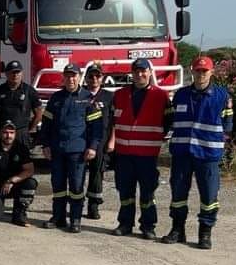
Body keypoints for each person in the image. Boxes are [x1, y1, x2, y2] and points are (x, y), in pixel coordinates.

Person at [162, 55, 233, 249]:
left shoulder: (222, 96)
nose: (201, 74)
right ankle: (177, 230)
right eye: (198, 70)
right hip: (182, 153)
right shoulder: (181, 95)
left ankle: (205, 233)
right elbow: (169, 121)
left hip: (208, 155)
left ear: (211, 72)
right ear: (191, 71)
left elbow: (227, 126)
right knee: (178, 194)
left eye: (205, 71)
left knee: (209, 197)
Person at [106, 59, 170, 238]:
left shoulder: (161, 96)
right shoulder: (119, 95)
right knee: (125, 191)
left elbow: (168, 122)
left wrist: (157, 137)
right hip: (124, 154)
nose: (139, 74)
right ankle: (125, 223)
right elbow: (112, 122)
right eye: (136, 71)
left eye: (143, 71)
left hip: (148, 155)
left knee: (147, 193)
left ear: (150, 72)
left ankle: (148, 226)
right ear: (131, 73)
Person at [38, 63, 104, 233]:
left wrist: (93, 147)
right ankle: (58, 217)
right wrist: (45, 144)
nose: (70, 79)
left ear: (79, 77)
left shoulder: (88, 98)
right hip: (57, 149)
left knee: (76, 187)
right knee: (58, 186)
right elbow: (46, 124)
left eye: (73, 75)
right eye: (67, 75)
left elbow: (96, 127)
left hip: (78, 151)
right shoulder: (56, 98)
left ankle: (75, 219)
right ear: (63, 77)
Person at [0, 121, 36, 226]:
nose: (8, 135)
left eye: (11, 132)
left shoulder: (21, 148)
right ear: (0, 133)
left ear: (15, 134)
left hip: (13, 186)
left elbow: (29, 170)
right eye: (5, 132)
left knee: (30, 183)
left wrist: (11, 180)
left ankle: (19, 215)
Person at [81, 64, 113, 220]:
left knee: (97, 173)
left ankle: (93, 206)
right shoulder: (80, 94)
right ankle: (77, 204)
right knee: (78, 173)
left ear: (102, 78)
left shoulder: (109, 97)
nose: (94, 79)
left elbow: (114, 121)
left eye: (97, 76)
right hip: (80, 140)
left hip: (101, 140)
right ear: (85, 78)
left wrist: (112, 141)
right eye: (91, 76)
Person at [0, 60, 41, 147]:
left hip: (21, 134)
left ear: (22, 73)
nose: (15, 75)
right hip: (2, 133)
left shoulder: (29, 91)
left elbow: (39, 114)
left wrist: (29, 129)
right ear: (6, 74)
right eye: (12, 72)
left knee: (22, 160)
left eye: (18, 72)